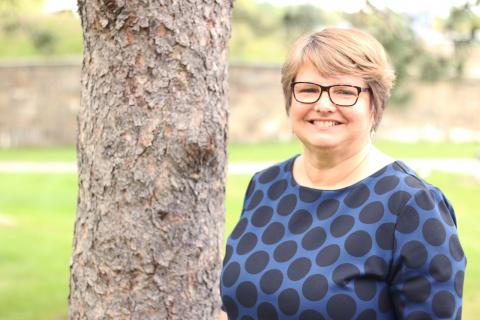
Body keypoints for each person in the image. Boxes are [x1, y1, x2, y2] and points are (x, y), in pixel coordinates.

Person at [219, 27, 466, 320]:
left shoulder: (412, 206)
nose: (324, 105)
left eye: (345, 92)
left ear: (375, 105)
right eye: (309, 89)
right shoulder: (265, 186)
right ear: (290, 99)